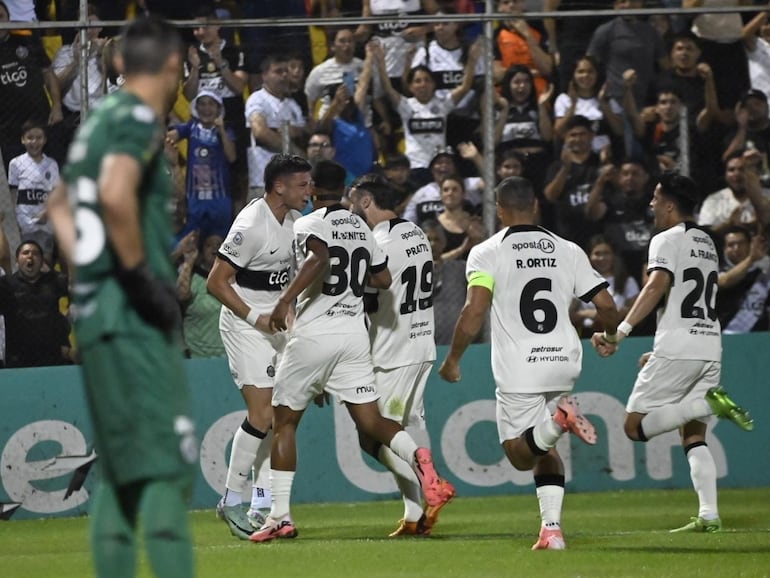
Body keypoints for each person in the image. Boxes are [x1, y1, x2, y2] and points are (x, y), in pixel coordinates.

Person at [46, 16, 197, 578]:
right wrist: (139, 283)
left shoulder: (96, 122)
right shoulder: (135, 116)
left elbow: (59, 208)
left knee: (123, 471)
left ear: (116, 63)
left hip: (96, 315)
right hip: (133, 318)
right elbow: (114, 195)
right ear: (172, 68)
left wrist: (93, 280)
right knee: (164, 470)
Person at [251, 160, 455, 543]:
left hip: (316, 334)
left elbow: (319, 258)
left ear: (312, 190)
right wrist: (353, 284)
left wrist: (284, 301)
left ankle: (279, 516)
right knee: (374, 423)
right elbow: (382, 278)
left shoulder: (307, 223)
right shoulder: (362, 228)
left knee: (285, 423)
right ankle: (420, 460)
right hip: (356, 338)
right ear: (342, 190)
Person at [438, 176, 620, 550]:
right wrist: (611, 337)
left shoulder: (488, 252)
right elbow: (605, 306)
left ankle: (559, 421)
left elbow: (474, 310)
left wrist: (453, 358)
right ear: (536, 205)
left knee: (520, 454)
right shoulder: (568, 249)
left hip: (521, 366)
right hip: (564, 362)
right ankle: (551, 530)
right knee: (543, 449)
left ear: (500, 211)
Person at [591, 172, 754, 534]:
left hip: (680, 345)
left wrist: (620, 331)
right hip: (709, 344)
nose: (650, 204)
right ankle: (709, 514)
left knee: (634, 427)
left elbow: (657, 286)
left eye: (654, 197)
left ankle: (707, 404)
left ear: (668, 203)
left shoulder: (666, 238)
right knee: (693, 435)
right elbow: (685, 299)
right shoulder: (708, 242)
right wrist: (659, 349)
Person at [206, 153, 312, 540]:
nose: (309, 190)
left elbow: (290, 285)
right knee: (263, 414)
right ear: (278, 186)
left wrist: (295, 330)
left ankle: (262, 503)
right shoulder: (251, 224)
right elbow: (216, 282)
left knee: (282, 416)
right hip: (245, 323)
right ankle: (231, 499)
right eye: (302, 184)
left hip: (279, 325)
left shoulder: (297, 223)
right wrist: (255, 318)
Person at [347, 174, 454, 536]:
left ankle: (431, 484)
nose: (349, 209)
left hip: (393, 350)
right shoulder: (416, 234)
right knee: (399, 432)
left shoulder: (378, 243)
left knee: (371, 433)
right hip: (421, 342)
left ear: (366, 202)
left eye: (352, 202)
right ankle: (413, 517)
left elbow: (369, 292)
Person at [167, 90, 236, 242]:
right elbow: (168, 138)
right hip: (195, 199)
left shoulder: (227, 131)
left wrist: (222, 130)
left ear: (219, 108)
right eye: (202, 104)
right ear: (196, 108)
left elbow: (232, 157)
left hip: (220, 199)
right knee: (191, 241)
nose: (207, 109)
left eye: (211, 104)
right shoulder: (190, 127)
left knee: (221, 243)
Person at [244, 54, 307, 201]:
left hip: (291, 183)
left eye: (286, 71)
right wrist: (293, 149)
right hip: (263, 180)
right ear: (265, 75)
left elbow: (303, 133)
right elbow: (260, 132)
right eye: (278, 71)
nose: (284, 75)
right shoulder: (257, 99)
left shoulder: (292, 104)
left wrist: (291, 131)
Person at [0, 239, 72, 368]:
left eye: (35, 253)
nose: (30, 256)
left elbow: (79, 292)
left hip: (52, 356)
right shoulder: (6, 286)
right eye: (25, 253)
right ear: (17, 260)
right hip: (18, 358)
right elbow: (3, 258)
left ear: (41, 261)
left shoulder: (55, 281)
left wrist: (66, 331)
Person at [7, 120, 60, 264]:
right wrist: (14, 221)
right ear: (23, 139)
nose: (34, 142)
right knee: (25, 260)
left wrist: (46, 213)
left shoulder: (51, 164)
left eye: (39, 138)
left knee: (45, 260)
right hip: (23, 221)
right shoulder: (16, 164)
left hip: (45, 222)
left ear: (45, 140)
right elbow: (12, 193)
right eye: (30, 137)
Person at [175, 230, 226, 358]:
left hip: (228, 359)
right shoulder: (192, 277)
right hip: (197, 358)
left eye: (219, 244)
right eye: (209, 245)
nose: (215, 248)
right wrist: (189, 261)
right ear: (202, 252)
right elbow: (181, 295)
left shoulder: (234, 279)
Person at [716, 225, 770, 334]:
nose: (736, 248)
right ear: (725, 249)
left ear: (750, 245)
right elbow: (724, 282)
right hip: (726, 337)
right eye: (731, 245)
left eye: (741, 243)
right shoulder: (717, 270)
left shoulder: (764, 272)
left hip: (758, 338)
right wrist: (751, 259)